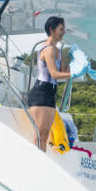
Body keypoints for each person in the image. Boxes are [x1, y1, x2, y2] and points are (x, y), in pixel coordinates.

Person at [28, 16, 71, 151]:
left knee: (45, 135)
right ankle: (34, 166)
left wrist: (69, 59)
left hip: (50, 93)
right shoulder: (49, 49)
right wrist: (74, 74)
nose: (63, 32)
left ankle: (40, 167)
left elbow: (63, 72)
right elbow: (54, 74)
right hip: (41, 92)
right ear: (52, 30)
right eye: (61, 29)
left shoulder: (57, 50)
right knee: (40, 135)